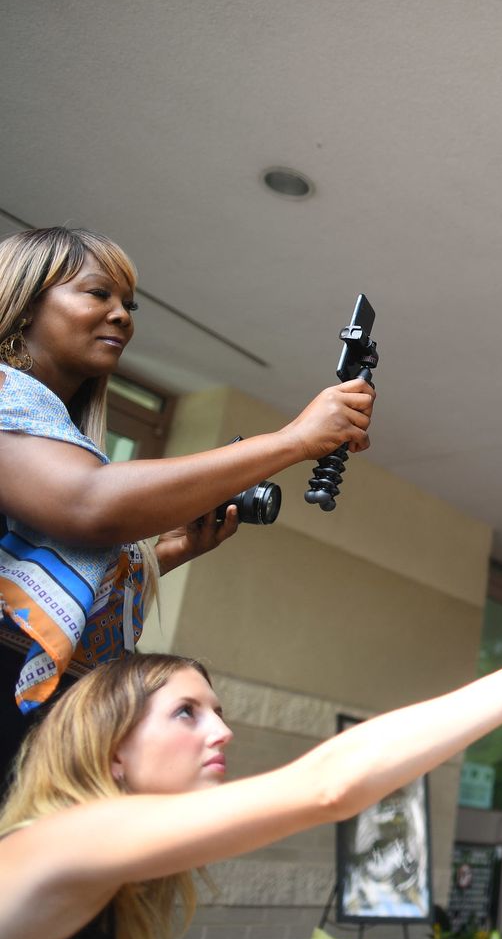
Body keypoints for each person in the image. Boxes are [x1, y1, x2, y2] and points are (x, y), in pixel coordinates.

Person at [0, 580, 502, 939]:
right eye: (186, 713)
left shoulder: (109, 880)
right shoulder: (60, 839)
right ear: (112, 749)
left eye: (218, 709)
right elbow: (328, 784)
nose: (223, 729)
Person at [0, 227, 375, 776]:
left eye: (128, 304)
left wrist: (163, 554)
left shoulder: (59, 432)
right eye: (97, 293)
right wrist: (295, 440)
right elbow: (88, 504)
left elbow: (51, 582)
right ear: (25, 302)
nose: (123, 316)